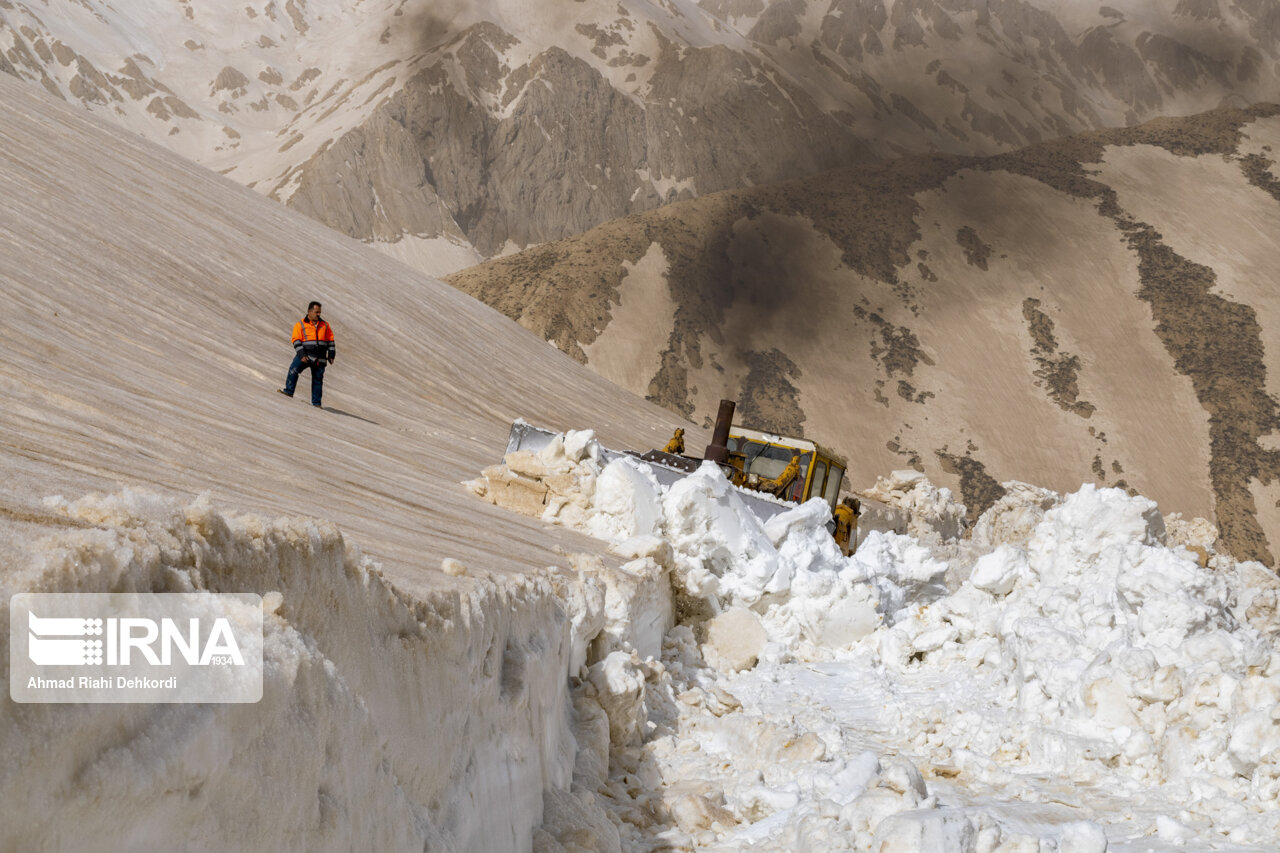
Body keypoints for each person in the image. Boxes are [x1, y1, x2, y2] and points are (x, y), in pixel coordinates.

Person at [279, 301, 335, 406]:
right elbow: (296, 340)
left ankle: (316, 403)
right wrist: (302, 355)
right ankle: (289, 391)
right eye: (316, 312)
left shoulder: (325, 325)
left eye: (320, 312)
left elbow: (330, 340)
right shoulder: (300, 325)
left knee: (318, 380)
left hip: (320, 358)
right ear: (309, 311)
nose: (319, 314)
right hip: (305, 356)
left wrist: (331, 354)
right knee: (294, 370)